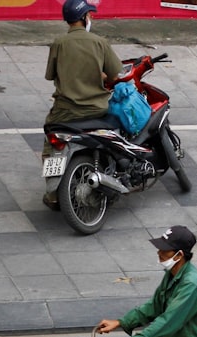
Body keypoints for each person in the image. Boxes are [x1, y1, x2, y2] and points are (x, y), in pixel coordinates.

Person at [42, 0, 123, 210]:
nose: (91, 18)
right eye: (90, 15)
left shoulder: (59, 43)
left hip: (64, 113)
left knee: (49, 148)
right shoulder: (99, 42)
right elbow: (116, 74)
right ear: (84, 17)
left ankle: (52, 195)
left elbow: (50, 75)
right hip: (96, 109)